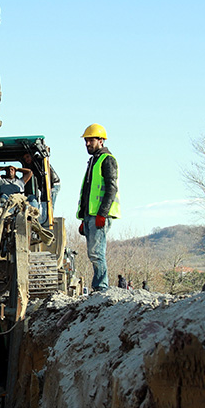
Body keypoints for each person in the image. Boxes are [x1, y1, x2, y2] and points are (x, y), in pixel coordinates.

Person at [76, 123, 119, 293]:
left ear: (101, 141)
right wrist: (82, 217)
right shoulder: (94, 161)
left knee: (96, 253)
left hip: (99, 215)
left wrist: (102, 214)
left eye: (90, 140)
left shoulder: (107, 160)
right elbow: (88, 192)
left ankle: (101, 287)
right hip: (90, 215)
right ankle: (99, 286)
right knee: (93, 253)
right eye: (86, 141)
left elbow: (111, 188)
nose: (87, 144)